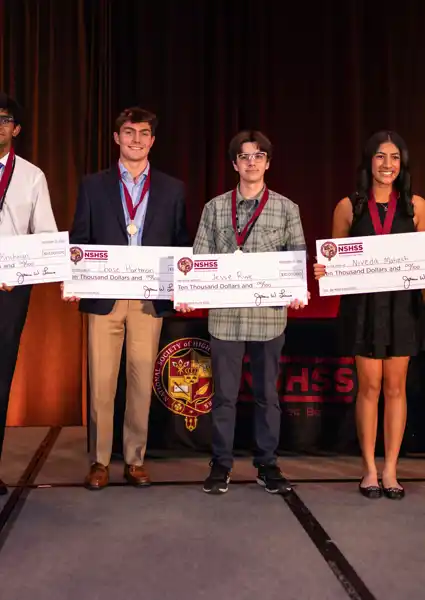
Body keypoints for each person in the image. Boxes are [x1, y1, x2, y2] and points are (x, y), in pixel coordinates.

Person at [65, 107, 190, 490]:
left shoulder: (172, 188)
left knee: (139, 380)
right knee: (101, 382)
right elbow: (80, 240)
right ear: (117, 138)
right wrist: (75, 276)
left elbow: (180, 242)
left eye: (144, 133)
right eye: (129, 132)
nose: (136, 139)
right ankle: (99, 461)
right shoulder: (93, 185)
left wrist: (183, 287)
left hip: (148, 300)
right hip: (105, 299)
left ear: (153, 140)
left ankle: (135, 459)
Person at [177, 130, 307, 495]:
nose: (252, 162)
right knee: (224, 397)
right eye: (245, 156)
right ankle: (221, 465)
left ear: (268, 162)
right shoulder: (215, 208)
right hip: (225, 317)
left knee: (268, 395)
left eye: (259, 155)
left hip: (268, 319)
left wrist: (297, 290)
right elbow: (199, 259)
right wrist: (189, 291)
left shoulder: (286, 208)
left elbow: (297, 258)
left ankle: (267, 464)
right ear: (234, 164)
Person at [314, 131, 425, 500]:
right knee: (370, 387)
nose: (388, 165)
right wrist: (323, 271)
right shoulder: (348, 207)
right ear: (369, 161)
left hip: (401, 309)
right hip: (362, 309)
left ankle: (391, 469)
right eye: (380, 157)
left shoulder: (417, 206)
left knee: (396, 388)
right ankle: (368, 469)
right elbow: (333, 262)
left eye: (394, 157)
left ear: (402, 164)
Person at [0, 92, 57, 495]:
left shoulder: (32, 176)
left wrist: (22, 270)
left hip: (10, 291)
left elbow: (48, 237)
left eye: (4, 119)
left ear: (16, 129)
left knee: (1, 376)